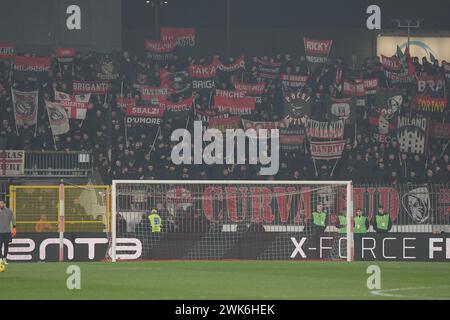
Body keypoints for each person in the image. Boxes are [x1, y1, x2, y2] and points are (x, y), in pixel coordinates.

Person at [0, 200, 16, 264]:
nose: (0, 204)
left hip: (7, 232)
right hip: (0, 232)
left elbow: (13, 219)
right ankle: (0, 259)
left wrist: (14, 228)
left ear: (4, 204)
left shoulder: (9, 211)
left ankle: (4, 259)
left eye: (1, 203)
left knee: (6, 246)